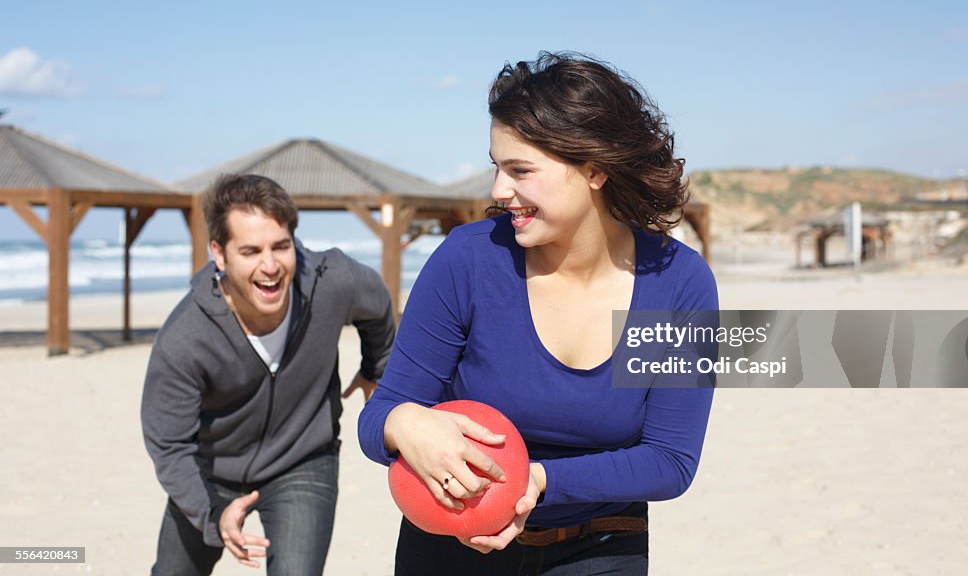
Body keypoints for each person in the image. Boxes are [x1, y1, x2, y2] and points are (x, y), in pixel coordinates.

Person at [358, 52, 718, 575]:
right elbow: (378, 419)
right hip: (451, 549)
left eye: (520, 170)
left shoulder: (677, 283)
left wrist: (536, 481)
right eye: (497, 167)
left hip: (600, 548)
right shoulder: (467, 260)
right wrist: (404, 422)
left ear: (594, 170)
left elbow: (670, 461)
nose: (498, 191)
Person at [142, 173, 395, 575]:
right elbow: (170, 445)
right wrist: (212, 514)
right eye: (251, 251)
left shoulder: (332, 281)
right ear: (219, 254)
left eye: (281, 246)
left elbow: (378, 303)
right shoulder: (185, 337)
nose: (271, 265)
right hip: (211, 469)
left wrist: (375, 369)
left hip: (303, 459)